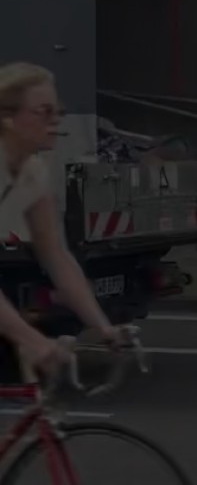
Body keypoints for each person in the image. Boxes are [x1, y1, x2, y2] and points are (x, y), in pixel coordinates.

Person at [0, 62, 126, 375]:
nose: (56, 119)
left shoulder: (33, 173)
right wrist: (32, 340)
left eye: (59, 110)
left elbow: (55, 255)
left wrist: (102, 327)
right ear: (8, 118)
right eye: (44, 111)